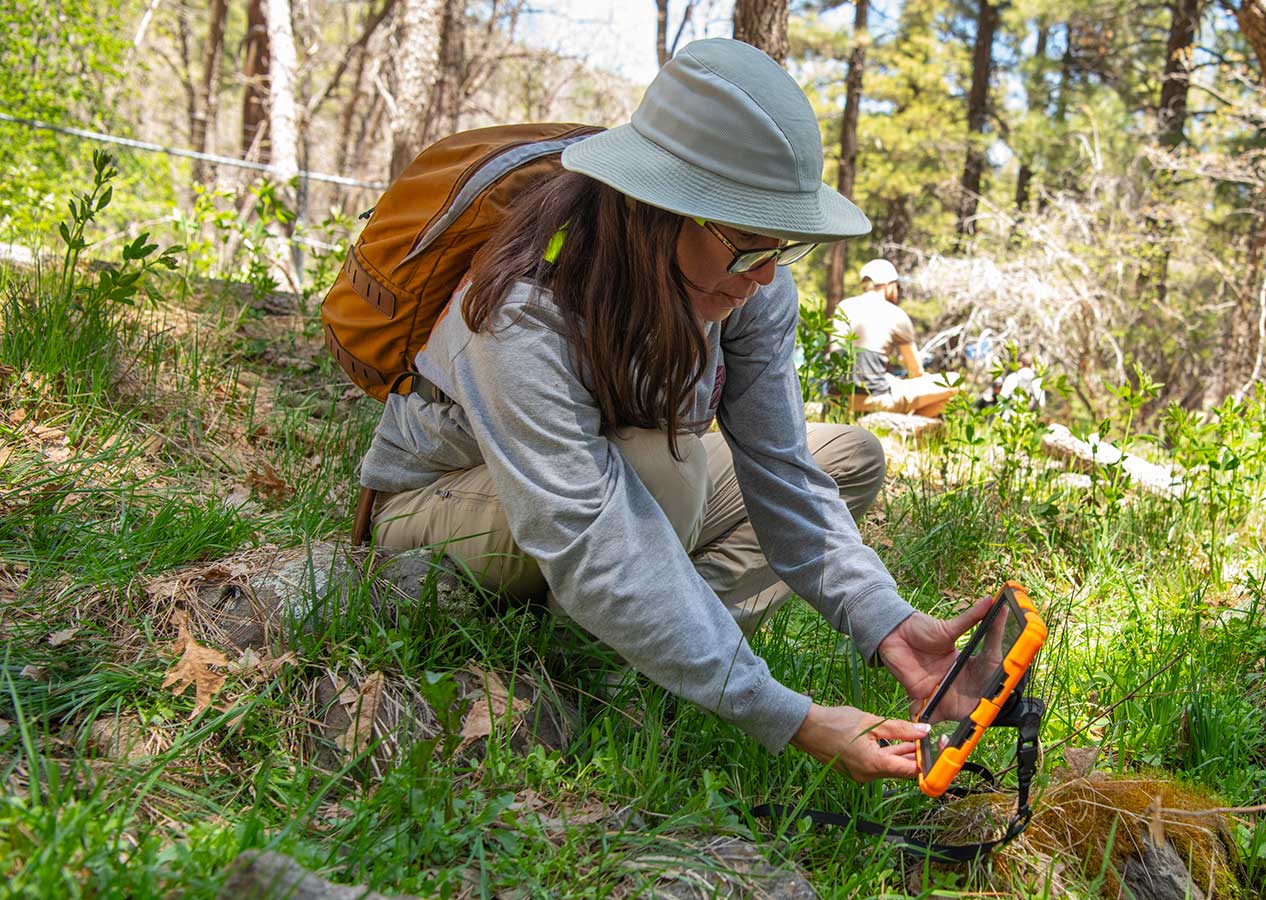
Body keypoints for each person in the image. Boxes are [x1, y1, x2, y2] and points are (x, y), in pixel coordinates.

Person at [354, 39, 991, 782]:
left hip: (613, 487)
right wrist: (790, 717)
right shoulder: (523, 301)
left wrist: (882, 618)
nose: (763, 275)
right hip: (439, 503)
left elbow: (781, 470)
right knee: (666, 467)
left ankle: (641, 657)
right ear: (657, 210)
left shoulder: (750, 283)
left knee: (845, 456)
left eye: (780, 247)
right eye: (745, 244)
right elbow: (588, 530)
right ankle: (601, 676)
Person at [833, 259, 961, 417]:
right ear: (888, 285)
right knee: (954, 382)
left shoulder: (844, 306)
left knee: (893, 381)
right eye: (896, 286)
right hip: (874, 399)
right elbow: (915, 371)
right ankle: (911, 428)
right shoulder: (895, 314)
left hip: (836, 396)